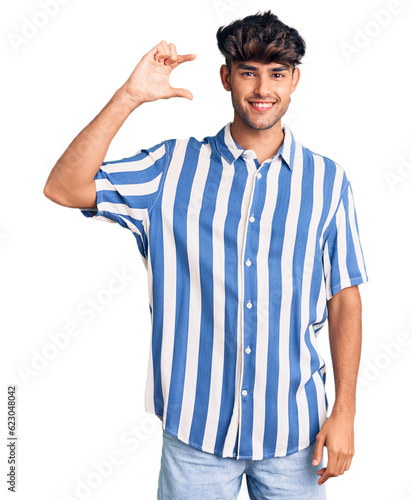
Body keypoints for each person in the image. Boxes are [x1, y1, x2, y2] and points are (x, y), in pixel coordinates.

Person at [43, 10, 368, 500]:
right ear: (226, 77)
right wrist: (130, 97)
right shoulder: (169, 168)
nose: (263, 89)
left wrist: (344, 410)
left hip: (295, 438)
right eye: (248, 72)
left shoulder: (327, 182)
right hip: (195, 436)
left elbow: (344, 296)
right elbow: (64, 187)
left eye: (277, 73)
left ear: (295, 79)